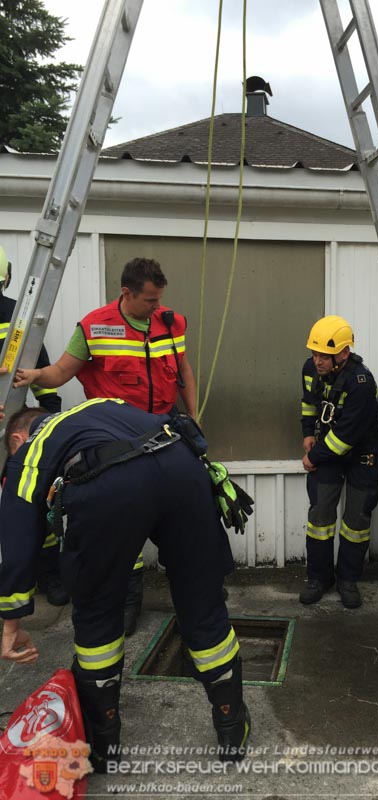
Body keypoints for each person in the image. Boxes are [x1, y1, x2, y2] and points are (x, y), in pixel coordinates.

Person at [0, 399, 251, 770]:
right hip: (183, 468)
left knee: (98, 615)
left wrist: (11, 623)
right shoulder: (104, 405)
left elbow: (18, 528)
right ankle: (232, 726)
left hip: (108, 486)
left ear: (18, 438)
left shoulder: (34, 446)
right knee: (203, 605)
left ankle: (104, 747)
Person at [13, 257, 198, 635]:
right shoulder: (95, 327)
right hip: (115, 440)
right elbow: (62, 371)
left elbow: (184, 372)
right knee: (121, 521)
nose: (155, 308)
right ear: (126, 293)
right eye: (149, 301)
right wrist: (35, 375)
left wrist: (194, 418)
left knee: (181, 515)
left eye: (159, 300)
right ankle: (128, 600)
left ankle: (193, 594)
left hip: (163, 431)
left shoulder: (170, 323)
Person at [300, 315, 378, 609]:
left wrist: (313, 456)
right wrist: (308, 434)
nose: (318, 360)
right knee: (320, 514)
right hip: (328, 450)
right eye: (315, 353)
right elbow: (309, 402)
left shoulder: (361, 382)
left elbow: (345, 437)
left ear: (344, 353)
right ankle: (318, 578)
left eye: (325, 355)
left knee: (356, 520)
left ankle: (348, 579)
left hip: (361, 453)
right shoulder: (310, 369)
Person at [0, 245, 68, 607]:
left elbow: (38, 375)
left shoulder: (18, 321)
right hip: (19, 432)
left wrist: (46, 413)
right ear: (7, 275)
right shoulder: (17, 319)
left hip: (16, 432)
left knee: (33, 504)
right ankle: (46, 577)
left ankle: (48, 576)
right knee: (33, 504)